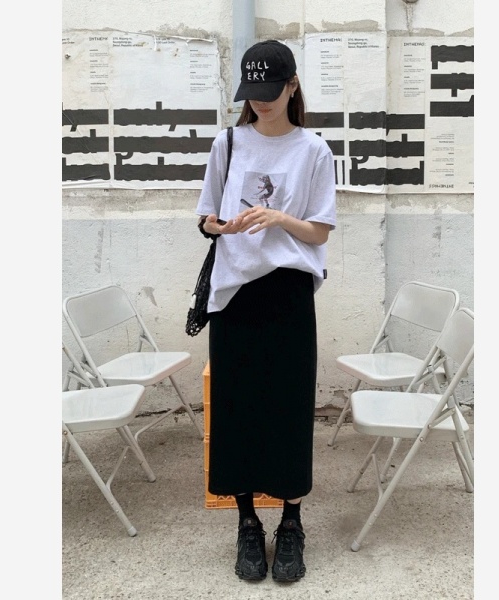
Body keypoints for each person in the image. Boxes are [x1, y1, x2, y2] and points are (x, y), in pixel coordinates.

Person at [195, 39, 337, 583]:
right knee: (237, 409)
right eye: (253, 92)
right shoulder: (228, 142)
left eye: (272, 90)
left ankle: (292, 522)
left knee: (288, 407)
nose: (261, 101)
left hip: (287, 292)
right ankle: (248, 523)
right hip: (234, 293)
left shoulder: (314, 150)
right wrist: (218, 225)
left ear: (293, 85)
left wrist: (277, 218)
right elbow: (205, 216)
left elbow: (319, 231)